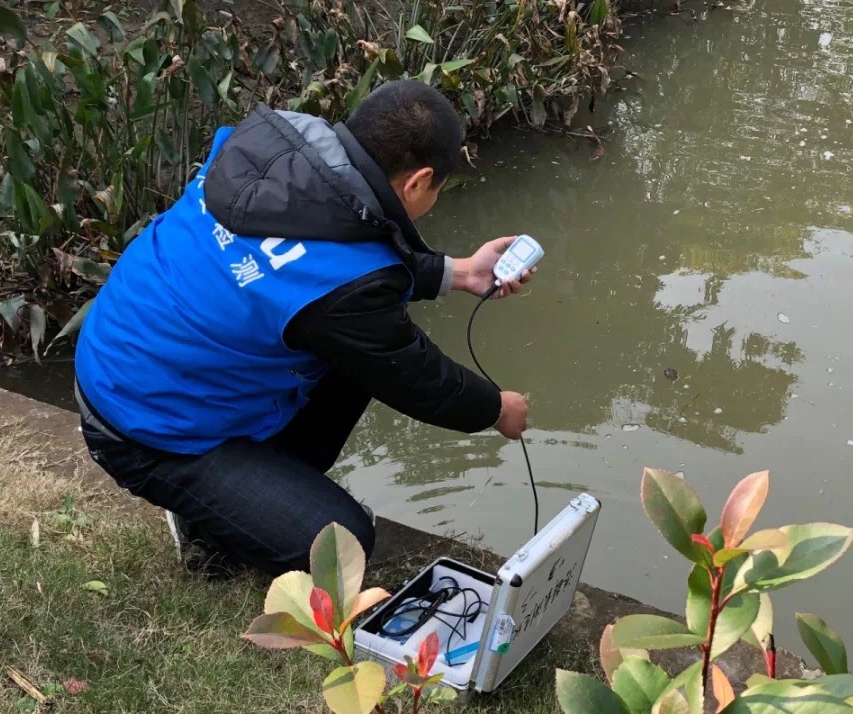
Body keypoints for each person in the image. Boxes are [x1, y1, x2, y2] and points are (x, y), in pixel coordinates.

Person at [73, 81, 532, 576]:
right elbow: (419, 380)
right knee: (340, 547)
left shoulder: (278, 147)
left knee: (357, 361)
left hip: (124, 357)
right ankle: (208, 528)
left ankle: (256, 485)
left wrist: (459, 272)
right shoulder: (344, 291)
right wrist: (496, 408)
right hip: (141, 426)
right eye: (437, 189)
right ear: (418, 181)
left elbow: (335, 257)